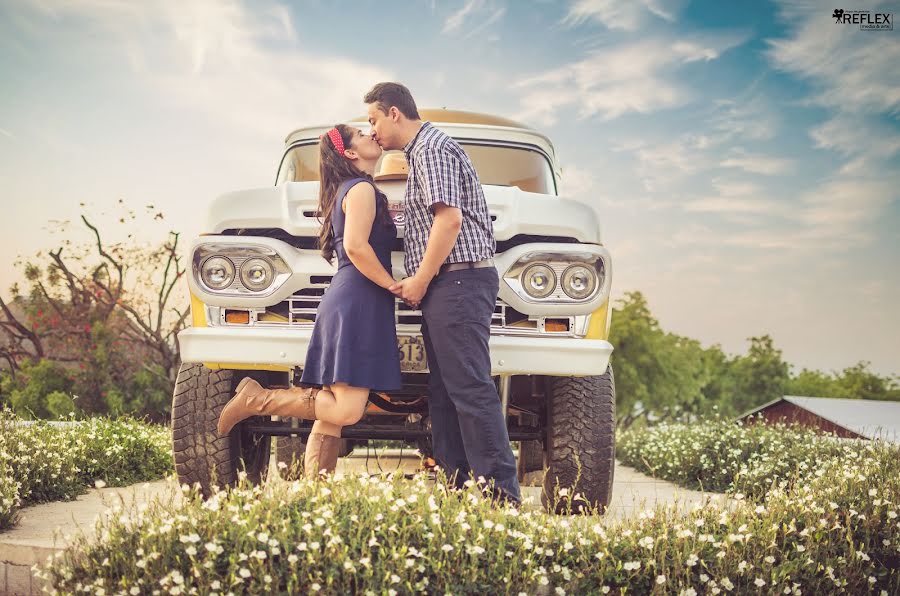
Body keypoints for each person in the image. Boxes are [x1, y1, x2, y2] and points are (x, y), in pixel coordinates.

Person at [364, 82, 521, 505]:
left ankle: (500, 496)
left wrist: (418, 280)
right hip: (447, 283)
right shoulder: (423, 152)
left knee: (469, 388)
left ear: (394, 112)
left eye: (374, 120)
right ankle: (459, 487)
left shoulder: (431, 149)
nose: (373, 130)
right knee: (447, 391)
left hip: (457, 281)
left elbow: (448, 221)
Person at [217, 124, 402, 477]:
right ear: (349, 153)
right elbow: (355, 247)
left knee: (331, 413)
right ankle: (258, 399)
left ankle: (317, 495)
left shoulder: (350, 189)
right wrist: (392, 285)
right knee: (346, 411)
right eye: (362, 134)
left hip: (352, 300)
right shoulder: (362, 188)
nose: (370, 135)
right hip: (359, 302)